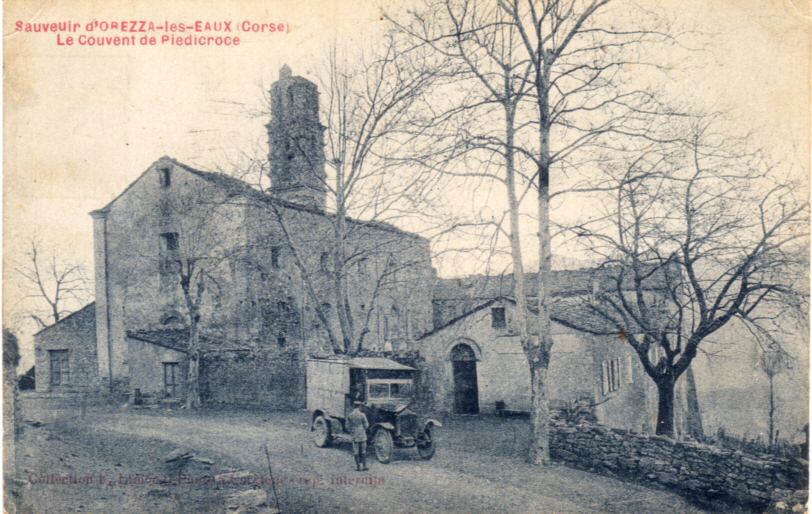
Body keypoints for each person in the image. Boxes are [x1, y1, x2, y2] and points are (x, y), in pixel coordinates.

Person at [347, 400, 370, 471]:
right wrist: (363, 429)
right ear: (359, 406)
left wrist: (351, 432)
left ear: (353, 406)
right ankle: (364, 466)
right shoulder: (362, 415)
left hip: (354, 435)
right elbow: (366, 425)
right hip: (362, 435)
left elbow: (347, 426)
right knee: (363, 451)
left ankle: (358, 467)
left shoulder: (350, 415)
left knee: (356, 451)